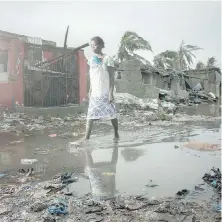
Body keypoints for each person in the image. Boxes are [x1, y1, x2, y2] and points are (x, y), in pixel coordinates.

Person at [85, 36, 119, 140]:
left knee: (112, 115)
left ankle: (116, 133)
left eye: (94, 44)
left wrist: (110, 93)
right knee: (90, 115)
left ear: (100, 45)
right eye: (91, 45)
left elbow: (112, 77)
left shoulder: (107, 59)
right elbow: (92, 77)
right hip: (95, 93)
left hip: (105, 92)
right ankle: (86, 138)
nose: (93, 47)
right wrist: (90, 91)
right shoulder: (91, 60)